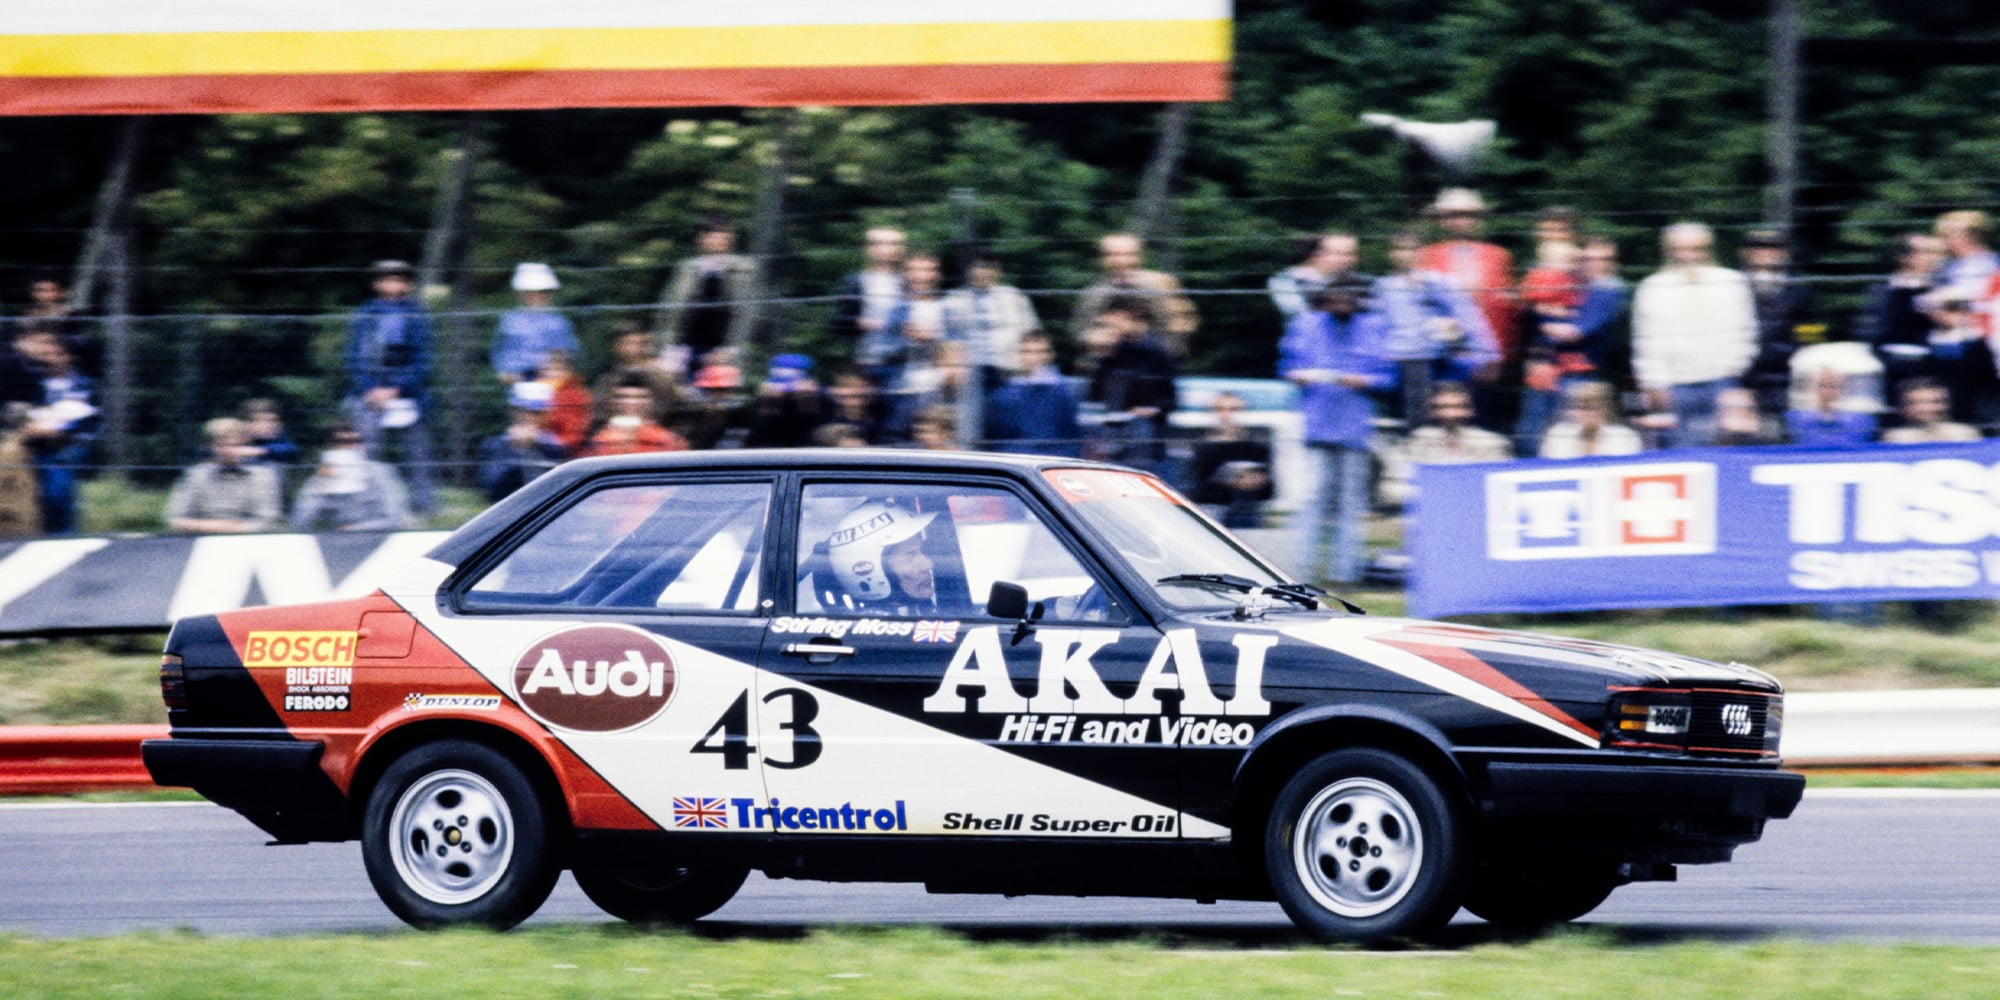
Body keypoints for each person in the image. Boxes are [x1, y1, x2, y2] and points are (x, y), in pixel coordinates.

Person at [1279, 277, 1392, 585]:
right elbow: (1285, 366)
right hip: (1317, 424)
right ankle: (1299, 573)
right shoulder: (1306, 324)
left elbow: (1388, 378)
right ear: (1325, 298)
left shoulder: (1374, 327)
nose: (1341, 302)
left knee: (1350, 501)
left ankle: (1346, 573)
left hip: (1354, 427)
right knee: (1313, 498)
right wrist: (1297, 375)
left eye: (1348, 297)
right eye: (1335, 297)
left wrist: (1364, 381)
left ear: (1358, 299)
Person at [1630, 223, 1758, 447]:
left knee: (1726, 451)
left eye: (1696, 249)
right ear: (1669, 251)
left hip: (1722, 382)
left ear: (1708, 250)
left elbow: (1746, 333)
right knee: (1680, 453)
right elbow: (1645, 341)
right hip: (1674, 388)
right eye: (1681, 249)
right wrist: (1654, 382)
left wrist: (1732, 372)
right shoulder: (1652, 288)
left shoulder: (1731, 282)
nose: (1688, 256)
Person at [1373, 228, 1495, 427]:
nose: (1406, 254)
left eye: (1412, 249)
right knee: (1406, 420)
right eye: (1400, 249)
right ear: (1392, 253)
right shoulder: (1384, 286)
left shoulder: (1438, 282)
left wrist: (1487, 353)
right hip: (1398, 361)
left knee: (1435, 417)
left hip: (1433, 358)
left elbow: (1467, 316)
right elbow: (1378, 325)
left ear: (1422, 252)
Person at [1417, 188, 1518, 425]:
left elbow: (1506, 312)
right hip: (1443, 361)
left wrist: (1497, 358)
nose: (1461, 220)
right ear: (1442, 220)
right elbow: (1425, 311)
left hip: (1488, 362)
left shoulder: (1498, 256)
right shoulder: (1426, 256)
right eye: (1454, 215)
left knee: (1486, 425)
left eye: (1468, 214)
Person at [345, 259, 435, 513]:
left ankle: (423, 503)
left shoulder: (417, 315)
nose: (392, 285)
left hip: (407, 392)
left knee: (417, 449)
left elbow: (423, 361)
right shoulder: (365, 315)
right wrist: (371, 390)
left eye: (398, 279)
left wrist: (396, 388)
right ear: (377, 283)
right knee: (365, 443)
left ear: (407, 284)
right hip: (371, 392)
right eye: (386, 279)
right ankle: (366, 501)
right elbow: (355, 359)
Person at [1379, 381, 1511, 509]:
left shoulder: (1492, 444)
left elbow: (1504, 489)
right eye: (1442, 407)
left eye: (1458, 407)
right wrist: (1436, 496)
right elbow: (1391, 489)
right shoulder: (1417, 442)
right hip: (1430, 516)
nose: (1450, 414)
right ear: (1432, 412)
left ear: (1470, 410)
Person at [1084, 296, 1178, 472]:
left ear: (1130, 317)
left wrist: (1151, 410)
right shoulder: (1114, 352)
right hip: (1114, 433)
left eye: (1115, 319)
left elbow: (1170, 400)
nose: (1110, 326)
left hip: (1144, 435)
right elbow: (1094, 394)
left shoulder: (1158, 353)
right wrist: (1100, 353)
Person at [658, 216, 762, 375]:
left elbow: (746, 316)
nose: (716, 238)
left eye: (721, 233)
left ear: (731, 237)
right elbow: (669, 311)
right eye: (710, 233)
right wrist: (667, 347)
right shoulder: (687, 269)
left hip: (724, 350)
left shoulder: (745, 270)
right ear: (700, 239)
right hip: (683, 349)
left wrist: (730, 350)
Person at [16, 328, 95, 534]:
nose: (52, 359)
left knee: (57, 486)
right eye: (48, 354)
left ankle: (63, 532)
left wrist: (59, 429)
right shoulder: (36, 382)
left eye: (58, 354)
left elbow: (80, 416)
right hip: (38, 440)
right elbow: (26, 411)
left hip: (70, 441)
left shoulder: (82, 383)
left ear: (69, 356)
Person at [1072, 232, 1199, 357]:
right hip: (1106, 368)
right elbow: (1078, 334)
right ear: (1103, 259)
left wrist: (1136, 332)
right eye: (1113, 254)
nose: (1120, 260)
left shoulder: (1155, 290)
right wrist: (1095, 338)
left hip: (1149, 367)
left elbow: (1173, 338)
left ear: (1139, 257)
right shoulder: (1094, 294)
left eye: (1128, 254)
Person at [819, 499, 954, 615]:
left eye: (922, 552)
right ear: (871, 571)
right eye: (910, 556)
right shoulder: (879, 643)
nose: (928, 564)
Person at [1741, 229, 1818, 418]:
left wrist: (1785, 352)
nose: (1766, 253)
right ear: (1746, 253)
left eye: (1774, 248)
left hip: (1785, 377)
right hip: (1741, 377)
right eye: (1759, 247)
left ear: (1785, 254)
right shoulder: (1734, 288)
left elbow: (1813, 333)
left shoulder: (1800, 292)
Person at [1861, 232, 1946, 397]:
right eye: (1926, 252)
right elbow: (1873, 334)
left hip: (1933, 371)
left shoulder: (1942, 292)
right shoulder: (1882, 293)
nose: (1933, 258)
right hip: (1892, 371)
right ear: (1904, 258)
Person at [164, 417, 283, 534]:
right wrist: (214, 527)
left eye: (235, 445)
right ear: (211, 447)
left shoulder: (263, 476)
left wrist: (235, 529)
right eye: (222, 446)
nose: (228, 451)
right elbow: (175, 518)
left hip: (249, 541)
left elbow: (269, 521)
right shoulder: (196, 475)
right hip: (202, 540)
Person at [943, 254, 1039, 395]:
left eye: (990, 267)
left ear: (998, 271)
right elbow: (946, 341)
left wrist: (1030, 366)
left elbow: (1032, 336)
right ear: (968, 270)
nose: (984, 272)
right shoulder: (953, 300)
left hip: (1009, 373)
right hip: (969, 378)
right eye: (979, 266)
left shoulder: (1014, 297)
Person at [291, 426, 413, 531]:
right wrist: (320, 484)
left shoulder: (380, 472)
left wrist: (359, 528)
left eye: (356, 441)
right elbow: (300, 521)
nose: (352, 447)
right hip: (339, 544)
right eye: (341, 442)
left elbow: (397, 517)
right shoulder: (322, 477)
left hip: (382, 538)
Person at [984, 332, 1083, 458]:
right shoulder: (1003, 395)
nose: (1033, 357)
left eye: (1039, 352)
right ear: (1019, 355)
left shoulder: (1065, 393)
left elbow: (1071, 437)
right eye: (1026, 352)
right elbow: (997, 437)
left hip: (1052, 461)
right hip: (1014, 461)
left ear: (1048, 355)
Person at [1186, 392, 1274, 529]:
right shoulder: (1203, 449)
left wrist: (1258, 482)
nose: (1227, 415)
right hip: (1214, 510)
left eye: (1234, 410)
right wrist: (1230, 483)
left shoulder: (1257, 448)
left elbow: (1270, 491)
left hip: (1248, 508)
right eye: (1220, 410)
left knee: (1245, 503)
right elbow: (1196, 490)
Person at [490, 262, 580, 383]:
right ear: (521, 294)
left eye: (541, 292)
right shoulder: (509, 321)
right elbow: (499, 351)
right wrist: (505, 373)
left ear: (549, 294)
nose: (535, 296)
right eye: (529, 292)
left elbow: (567, 353)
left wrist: (553, 371)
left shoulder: (558, 323)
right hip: (516, 382)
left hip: (550, 381)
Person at [477, 381, 567, 502]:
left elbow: (556, 489)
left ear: (546, 415)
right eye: (521, 411)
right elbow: (492, 489)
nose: (527, 417)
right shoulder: (495, 445)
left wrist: (533, 448)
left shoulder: (554, 447)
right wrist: (517, 450)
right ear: (513, 412)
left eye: (535, 413)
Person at [829, 226, 907, 360]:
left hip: (903, 361)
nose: (884, 249)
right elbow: (838, 321)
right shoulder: (854, 282)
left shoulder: (909, 281)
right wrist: (866, 323)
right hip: (866, 359)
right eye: (878, 243)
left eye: (892, 244)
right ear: (867, 248)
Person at [1268, 233, 1362, 325]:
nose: (1346, 260)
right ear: (1315, 255)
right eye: (1336, 253)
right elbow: (1298, 314)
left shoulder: (1365, 281)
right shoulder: (1286, 280)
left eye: (1350, 254)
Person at [583, 376, 690, 457]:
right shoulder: (598, 442)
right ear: (613, 402)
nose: (632, 402)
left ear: (653, 401)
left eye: (641, 397)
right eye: (624, 397)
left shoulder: (672, 441)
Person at [1538, 380, 1644, 459]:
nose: (1586, 413)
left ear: (1605, 410)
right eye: (1580, 408)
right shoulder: (1558, 435)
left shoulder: (1625, 437)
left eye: (1592, 408)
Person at [1784, 368, 1876, 448]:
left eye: (1833, 386)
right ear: (1813, 388)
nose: (1827, 392)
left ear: (1844, 389)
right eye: (1822, 385)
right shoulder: (1795, 420)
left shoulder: (1862, 422)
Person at [1881, 377, 1980, 444]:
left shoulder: (1965, 435)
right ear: (1902, 407)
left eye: (1935, 402)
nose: (1927, 409)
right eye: (1917, 403)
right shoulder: (1894, 439)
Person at [533, 351, 596, 455]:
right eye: (546, 369)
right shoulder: (537, 391)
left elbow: (573, 434)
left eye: (556, 369)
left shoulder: (575, 395)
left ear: (568, 372)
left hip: (565, 447)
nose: (550, 373)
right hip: (540, 441)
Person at [0, 404, 41, 537]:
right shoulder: (9, 452)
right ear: (24, 424)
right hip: (12, 529)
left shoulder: (23, 450)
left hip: (25, 526)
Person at [1711, 387, 1783, 447]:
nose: (1736, 414)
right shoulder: (1707, 448)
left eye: (1744, 408)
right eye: (1728, 408)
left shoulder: (1775, 448)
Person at [240, 398, 300, 466]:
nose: (268, 425)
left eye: (273, 420)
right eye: (260, 420)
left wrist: (260, 451)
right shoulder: (236, 440)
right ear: (246, 423)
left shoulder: (280, 441)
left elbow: (291, 449)